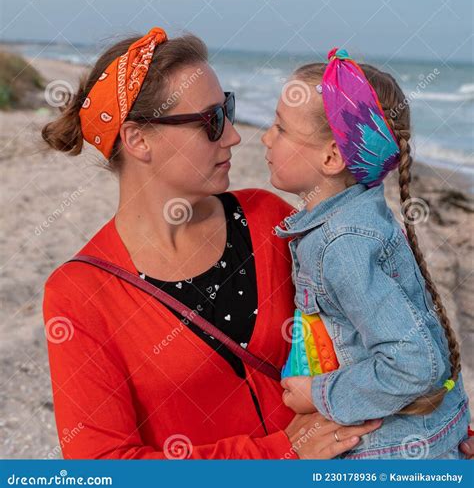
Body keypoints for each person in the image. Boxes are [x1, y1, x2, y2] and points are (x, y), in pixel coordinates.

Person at [41, 28, 382, 459]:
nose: (234, 136)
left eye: (228, 110)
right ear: (137, 139)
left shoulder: (268, 220)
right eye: (211, 122)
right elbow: (102, 467)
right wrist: (281, 453)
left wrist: (434, 425)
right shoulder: (79, 293)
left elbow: (369, 327)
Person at [261, 48, 471, 459]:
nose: (266, 138)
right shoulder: (356, 213)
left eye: (280, 128)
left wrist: (318, 394)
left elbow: (414, 363)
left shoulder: (343, 245)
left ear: (332, 157)